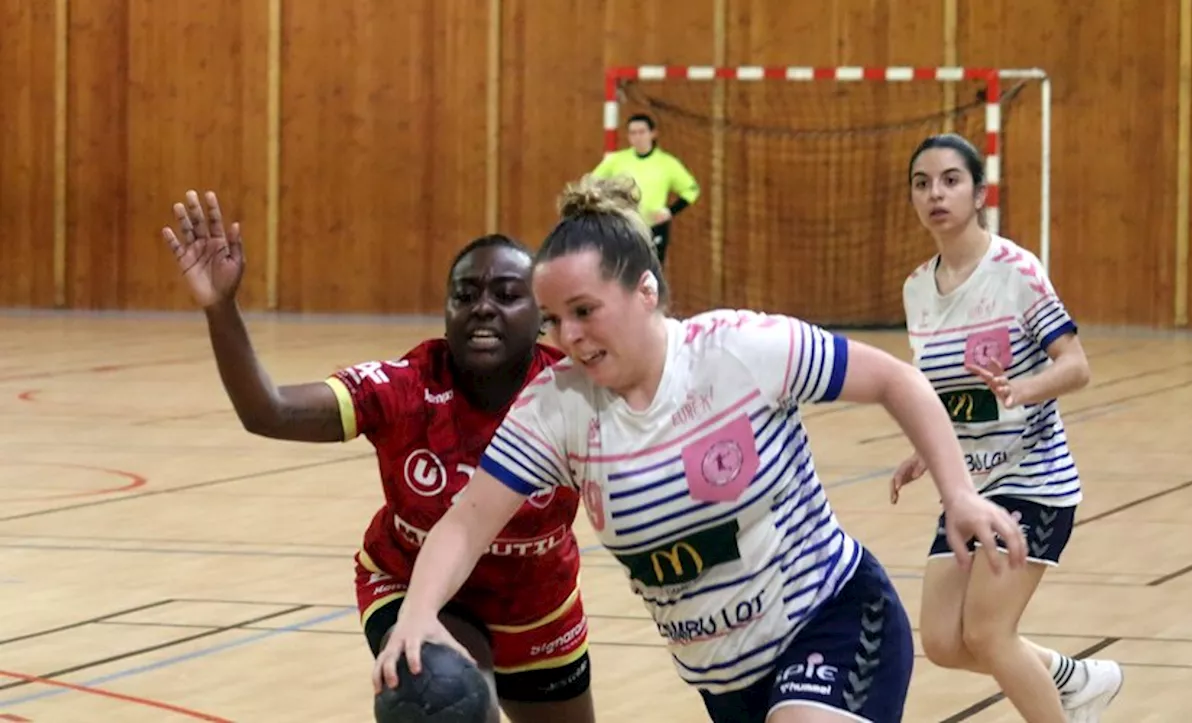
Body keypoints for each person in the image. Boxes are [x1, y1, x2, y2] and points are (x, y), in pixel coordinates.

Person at [371, 174, 1028, 723]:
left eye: (585, 310)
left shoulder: (739, 350)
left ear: (645, 291)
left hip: (834, 621)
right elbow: (467, 520)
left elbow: (895, 379)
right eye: (554, 320)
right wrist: (419, 613)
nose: (567, 335)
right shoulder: (557, 405)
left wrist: (959, 493)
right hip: (724, 680)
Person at [161, 191, 596, 723]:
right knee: (442, 696)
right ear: (446, 313)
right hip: (411, 583)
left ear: (541, 316)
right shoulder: (406, 388)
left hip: (538, 601)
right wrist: (220, 306)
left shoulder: (575, 392)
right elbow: (267, 411)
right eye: (465, 294)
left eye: (507, 294)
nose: (483, 306)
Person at [893, 134, 1124, 723]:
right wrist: (925, 448)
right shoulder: (917, 288)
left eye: (950, 180)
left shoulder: (1017, 271)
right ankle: (1076, 679)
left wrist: (1023, 389)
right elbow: (943, 392)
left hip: (1034, 480)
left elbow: (1076, 367)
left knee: (990, 634)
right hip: (970, 491)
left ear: (979, 193)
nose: (935, 193)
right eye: (922, 183)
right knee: (945, 641)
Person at [591, 113, 700, 266]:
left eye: (642, 132)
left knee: (650, 274)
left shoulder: (667, 163)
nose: (638, 137)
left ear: (652, 133)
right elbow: (592, 182)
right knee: (621, 272)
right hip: (622, 226)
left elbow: (691, 189)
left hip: (653, 227)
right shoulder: (616, 160)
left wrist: (670, 211)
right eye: (633, 133)